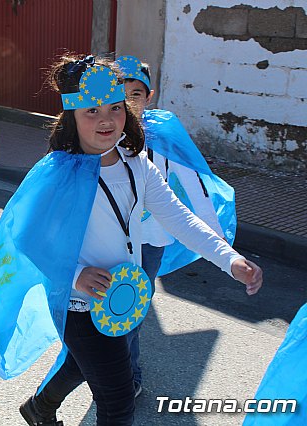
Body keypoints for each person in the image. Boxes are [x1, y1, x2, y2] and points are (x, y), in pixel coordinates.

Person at [0, 55, 263, 425]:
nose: (106, 120)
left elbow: (178, 217)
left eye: (115, 108)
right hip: (81, 306)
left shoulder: (136, 162)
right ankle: (41, 407)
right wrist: (76, 274)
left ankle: (39, 408)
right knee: (118, 402)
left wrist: (228, 259)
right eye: (92, 110)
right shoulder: (58, 173)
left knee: (79, 363)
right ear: (71, 117)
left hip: (124, 297)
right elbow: (25, 238)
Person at [116, 54, 238, 398]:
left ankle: (129, 373)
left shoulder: (163, 137)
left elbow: (196, 189)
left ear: (149, 96)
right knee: (107, 307)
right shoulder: (102, 132)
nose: (128, 102)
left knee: (133, 308)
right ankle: (106, 368)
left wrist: (221, 249)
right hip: (110, 242)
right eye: (121, 94)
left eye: (135, 94)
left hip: (151, 241)